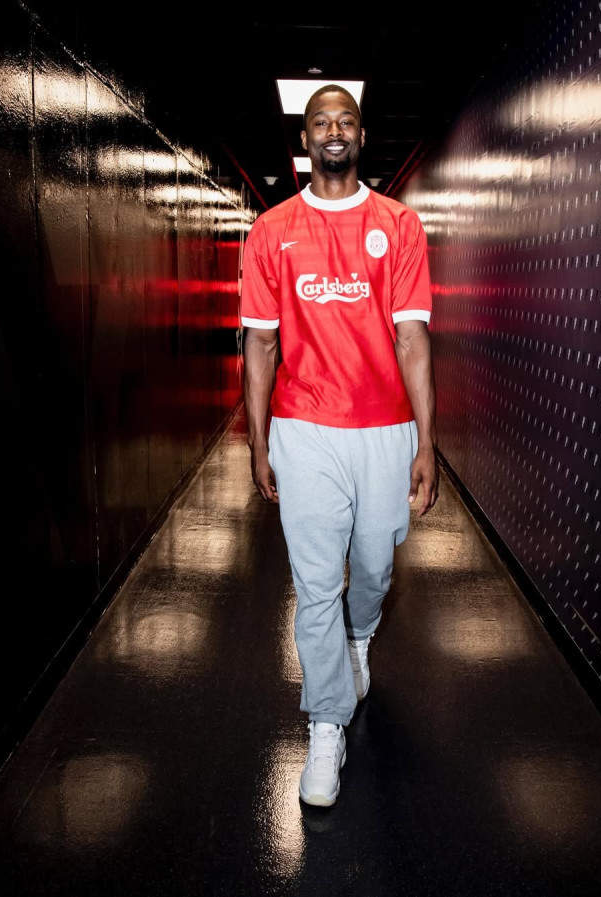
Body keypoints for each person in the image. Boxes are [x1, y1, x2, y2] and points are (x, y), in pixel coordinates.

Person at [240, 84, 438, 807]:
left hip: (384, 427)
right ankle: (327, 721)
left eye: (345, 120)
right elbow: (260, 345)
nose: (333, 130)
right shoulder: (271, 231)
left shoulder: (399, 225)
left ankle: (360, 639)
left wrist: (427, 442)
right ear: (305, 138)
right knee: (317, 582)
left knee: (376, 566)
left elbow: (413, 338)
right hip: (304, 426)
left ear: (360, 135)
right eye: (320, 121)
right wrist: (259, 442)